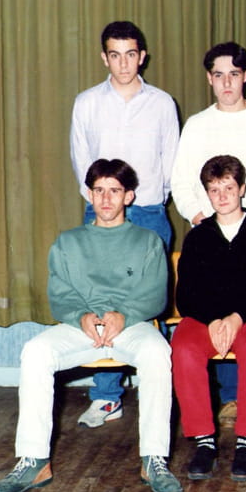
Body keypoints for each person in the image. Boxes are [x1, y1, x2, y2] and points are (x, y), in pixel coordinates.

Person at [0, 159, 182, 492]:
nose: (106, 199)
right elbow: (59, 293)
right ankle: (33, 460)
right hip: (82, 326)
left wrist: (124, 315)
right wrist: (81, 316)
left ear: (129, 196)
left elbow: (155, 294)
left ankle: (154, 459)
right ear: (89, 194)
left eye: (115, 191)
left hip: (130, 324)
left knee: (157, 351)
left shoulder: (148, 241)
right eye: (99, 190)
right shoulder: (68, 242)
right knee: (36, 351)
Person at [170, 41, 246, 429]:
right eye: (219, 75)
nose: (227, 83)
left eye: (234, 75)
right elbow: (181, 182)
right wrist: (205, 219)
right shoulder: (197, 125)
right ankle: (225, 400)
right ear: (209, 78)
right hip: (212, 230)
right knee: (212, 308)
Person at [69, 21, 179, 428]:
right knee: (102, 300)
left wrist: (148, 201)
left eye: (131, 54)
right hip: (100, 212)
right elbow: (81, 160)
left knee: (151, 303)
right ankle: (106, 396)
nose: (124, 63)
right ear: (105, 57)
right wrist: (103, 204)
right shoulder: (87, 103)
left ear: (142, 56)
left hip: (148, 211)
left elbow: (171, 160)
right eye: (115, 55)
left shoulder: (162, 103)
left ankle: (158, 392)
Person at [171, 155, 246, 482]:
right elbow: (186, 296)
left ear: (242, 189)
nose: (222, 196)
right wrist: (213, 319)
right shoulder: (198, 237)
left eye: (228, 188)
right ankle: (204, 440)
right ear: (207, 195)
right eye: (214, 190)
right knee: (183, 348)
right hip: (206, 319)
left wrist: (238, 317)